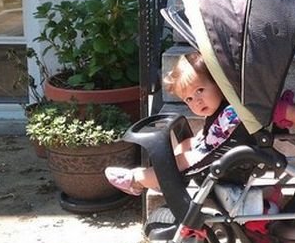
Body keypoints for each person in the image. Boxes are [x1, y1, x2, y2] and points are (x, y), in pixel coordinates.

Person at [105, 51, 250, 196]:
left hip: (229, 167)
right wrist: (199, 139)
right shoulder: (219, 108)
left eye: (200, 90)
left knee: (181, 161)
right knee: (184, 145)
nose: (197, 101)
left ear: (218, 84)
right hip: (217, 153)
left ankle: (137, 179)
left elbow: (222, 140)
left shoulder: (231, 113)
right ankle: (164, 180)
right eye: (189, 99)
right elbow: (212, 134)